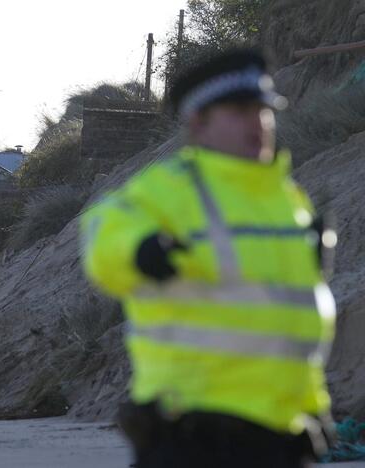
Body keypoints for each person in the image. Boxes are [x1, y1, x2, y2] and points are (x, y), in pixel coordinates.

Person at [79, 49, 337, 467]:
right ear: (198, 123)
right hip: (194, 434)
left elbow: (294, 325)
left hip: (280, 435)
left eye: (264, 111)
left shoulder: (289, 202)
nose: (258, 123)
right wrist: (140, 252)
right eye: (239, 111)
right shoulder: (169, 189)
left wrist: (313, 406)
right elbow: (101, 236)